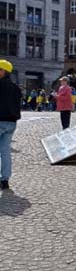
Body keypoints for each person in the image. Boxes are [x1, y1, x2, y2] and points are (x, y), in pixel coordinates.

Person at [0, 60, 21, 190]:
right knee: (5, 151)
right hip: (11, 123)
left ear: (3, 71)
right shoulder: (16, 88)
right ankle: (5, 180)